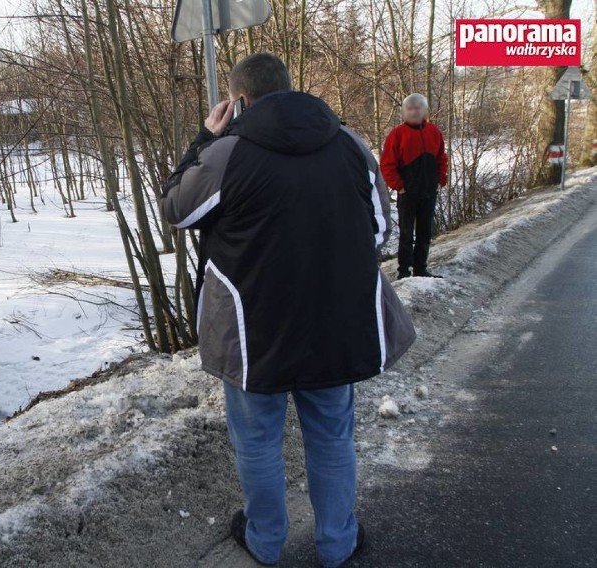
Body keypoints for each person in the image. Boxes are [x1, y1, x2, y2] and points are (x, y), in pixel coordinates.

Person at [160, 53, 416, 568]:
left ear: (239, 101)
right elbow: (383, 234)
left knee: (256, 439)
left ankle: (265, 541)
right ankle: (338, 542)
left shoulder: (227, 153)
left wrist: (204, 139)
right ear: (291, 89)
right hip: (334, 322)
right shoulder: (350, 144)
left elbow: (176, 209)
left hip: (255, 333)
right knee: (331, 435)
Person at [380, 93, 449, 279]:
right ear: (404, 112)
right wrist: (399, 186)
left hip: (429, 191)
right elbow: (387, 165)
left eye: (418, 108)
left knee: (425, 233)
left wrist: (440, 180)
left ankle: (421, 269)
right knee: (406, 235)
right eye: (409, 109)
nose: (414, 112)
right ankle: (404, 271)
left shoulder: (434, 132)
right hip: (407, 193)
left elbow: (441, 158)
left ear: (425, 110)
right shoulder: (397, 134)